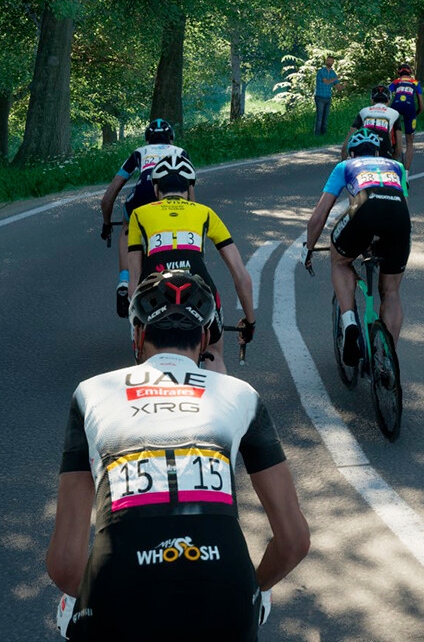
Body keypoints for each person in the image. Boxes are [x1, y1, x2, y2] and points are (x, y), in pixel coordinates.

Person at [47, 270, 309, 642]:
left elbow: (65, 565)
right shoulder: (241, 394)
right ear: (203, 338)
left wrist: (91, 601)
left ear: (138, 336)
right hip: (226, 593)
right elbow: (294, 541)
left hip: (120, 593)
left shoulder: (90, 393)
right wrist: (256, 589)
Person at [123, 156, 256, 366]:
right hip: (198, 290)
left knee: (144, 358)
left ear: (156, 189)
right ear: (190, 188)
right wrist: (250, 322)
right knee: (213, 352)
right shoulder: (206, 213)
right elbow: (241, 276)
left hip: (154, 293)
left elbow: (134, 281)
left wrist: (136, 323)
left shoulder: (139, 214)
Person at [304, 129, 413, 364]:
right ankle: (387, 361)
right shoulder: (396, 166)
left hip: (365, 208)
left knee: (340, 261)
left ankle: (349, 321)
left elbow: (320, 215)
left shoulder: (345, 166)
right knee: (391, 292)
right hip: (399, 216)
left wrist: (309, 248)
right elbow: (400, 205)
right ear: (377, 153)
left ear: (351, 153)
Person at [99, 118, 191, 312]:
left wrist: (106, 224)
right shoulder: (180, 152)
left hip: (141, 194)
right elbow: (190, 193)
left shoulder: (139, 152)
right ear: (171, 139)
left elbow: (108, 197)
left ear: (148, 139)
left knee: (128, 227)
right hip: (168, 195)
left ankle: (124, 280)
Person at [351, 86, 403, 159]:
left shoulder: (363, 111)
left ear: (372, 100)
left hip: (364, 148)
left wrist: (343, 160)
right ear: (389, 100)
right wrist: (393, 159)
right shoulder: (395, 113)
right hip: (384, 149)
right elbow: (399, 148)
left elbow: (350, 137)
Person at [387, 66, 424, 166]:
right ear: (410, 73)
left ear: (399, 73)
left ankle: (390, 142)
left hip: (395, 106)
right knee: (410, 143)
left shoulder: (395, 82)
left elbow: (386, 96)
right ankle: (406, 172)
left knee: (389, 131)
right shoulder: (416, 83)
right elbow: (421, 105)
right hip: (410, 108)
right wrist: (416, 114)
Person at [313, 56, 339, 136]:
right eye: (328, 60)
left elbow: (338, 86)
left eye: (331, 61)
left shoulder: (333, 73)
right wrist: (337, 78)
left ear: (333, 62)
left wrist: (344, 85)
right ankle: (317, 134)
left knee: (325, 117)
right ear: (326, 61)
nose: (330, 62)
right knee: (319, 117)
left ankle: (324, 135)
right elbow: (327, 82)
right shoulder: (321, 71)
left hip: (328, 97)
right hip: (320, 96)